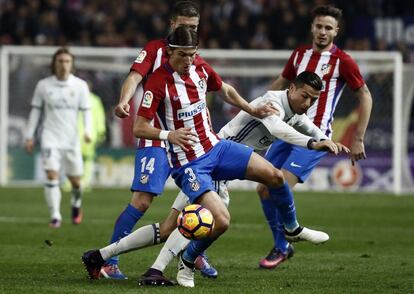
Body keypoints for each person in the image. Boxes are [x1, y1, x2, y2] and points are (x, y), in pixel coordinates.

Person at [83, 26, 340, 288]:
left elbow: (225, 89)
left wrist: (251, 108)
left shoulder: (200, 69)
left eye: (192, 55)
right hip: (190, 164)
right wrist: (168, 135)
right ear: (170, 52)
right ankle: (167, 264)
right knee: (216, 221)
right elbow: (139, 127)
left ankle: (291, 229)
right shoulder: (158, 82)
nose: (188, 61)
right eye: (183, 55)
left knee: (274, 176)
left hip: (218, 147)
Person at [100, 1, 218, 280]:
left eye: (193, 27)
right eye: (183, 25)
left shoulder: (194, 57)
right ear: (172, 24)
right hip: (158, 137)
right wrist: (124, 101)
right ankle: (109, 260)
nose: (188, 31)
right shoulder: (154, 50)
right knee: (141, 201)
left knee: (200, 199)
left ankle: (194, 253)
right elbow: (134, 76)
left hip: (190, 141)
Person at [257, 4, 373, 270]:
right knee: (263, 188)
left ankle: (286, 238)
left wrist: (359, 138)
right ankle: (283, 245)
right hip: (288, 130)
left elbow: (364, 95)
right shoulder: (299, 55)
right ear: (312, 27)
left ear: (336, 31)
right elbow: (282, 83)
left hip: (315, 136)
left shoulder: (342, 61)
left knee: (277, 184)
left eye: (328, 28)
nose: (323, 32)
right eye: (319, 26)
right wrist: (256, 106)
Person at [24, 47, 92, 228]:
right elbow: (35, 113)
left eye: (67, 61)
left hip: (71, 139)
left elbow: (86, 112)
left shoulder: (80, 86)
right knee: (51, 175)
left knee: (76, 182)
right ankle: (55, 216)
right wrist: (29, 136)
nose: (64, 65)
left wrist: (88, 131)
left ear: (72, 64)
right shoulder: (43, 85)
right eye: (60, 61)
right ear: (54, 64)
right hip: (50, 137)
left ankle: (76, 204)